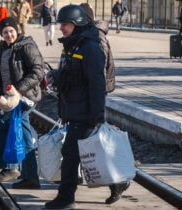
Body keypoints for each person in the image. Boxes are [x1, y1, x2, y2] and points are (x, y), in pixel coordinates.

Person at [45, 5, 129, 209]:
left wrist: (97, 115)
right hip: (73, 107)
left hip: (84, 111)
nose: (62, 28)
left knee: (71, 154)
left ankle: (66, 198)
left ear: (77, 23)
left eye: (65, 24)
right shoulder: (73, 45)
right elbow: (71, 74)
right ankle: (118, 181)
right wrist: (54, 77)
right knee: (88, 153)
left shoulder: (90, 47)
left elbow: (97, 83)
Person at [0, 17, 44, 189]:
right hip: (10, 100)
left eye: (11, 30)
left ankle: (11, 168)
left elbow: (37, 71)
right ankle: (31, 177)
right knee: (25, 136)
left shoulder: (27, 46)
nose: (8, 34)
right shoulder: (1, 50)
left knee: (0, 127)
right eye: (5, 32)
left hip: (24, 98)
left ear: (18, 30)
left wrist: (18, 90)